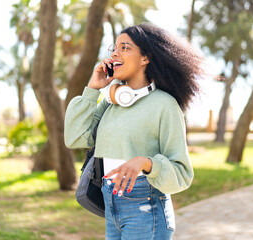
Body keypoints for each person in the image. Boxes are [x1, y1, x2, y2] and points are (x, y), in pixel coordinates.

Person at [64, 22, 205, 240]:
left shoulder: (164, 105)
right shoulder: (111, 103)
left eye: (125, 47)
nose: (115, 54)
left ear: (145, 58)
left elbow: (182, 173)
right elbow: (74, 137)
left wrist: (147, 163)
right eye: (114, 48)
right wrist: (93, 89)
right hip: (112, 204)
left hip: (146, 209)